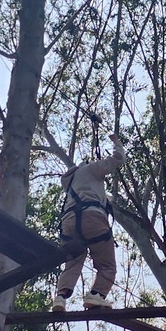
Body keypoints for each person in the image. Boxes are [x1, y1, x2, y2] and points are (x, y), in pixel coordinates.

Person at [52, 133, 125, 311]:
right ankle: (96, 295)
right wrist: (117, 143)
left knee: (73, 261)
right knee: (107, 265)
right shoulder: (91, 169)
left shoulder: (69, 182)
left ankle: (60, 297)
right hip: (92, 218)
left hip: (69, 222)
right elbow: (118, 159)